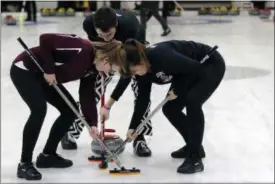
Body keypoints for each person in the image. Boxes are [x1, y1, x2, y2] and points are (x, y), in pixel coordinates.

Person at [97, 39, 226, 174]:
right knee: (171, 109)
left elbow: (195, 69)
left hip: (209, 64)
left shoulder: (162, 57)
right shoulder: (142, 71)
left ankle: (194, 158)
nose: (135, 74)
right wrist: (134, 127)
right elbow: (143, 99)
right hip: (188, 71)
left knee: (193, 102)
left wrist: (177, 89)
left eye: (134, 70)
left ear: (140, 61)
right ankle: (194, 146)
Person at [10, 33, 120, 180]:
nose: (109, 73)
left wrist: (92, 123)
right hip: (26, 70)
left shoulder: (93, 70)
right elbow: (45, 39)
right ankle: (24, 164)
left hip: (46, 78)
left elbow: (86, 96)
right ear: (106, 60)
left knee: (69, 111)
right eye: (112, 70)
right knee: (39, 110)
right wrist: (49, 70)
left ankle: (47, 156)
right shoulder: (83, 48)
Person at [61, 7, 153, 157]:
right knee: (93, 88)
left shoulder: (131, 26)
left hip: (133, 50)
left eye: (109, 33)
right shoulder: (89, 24)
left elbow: (128, 71)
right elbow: (96, 51)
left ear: (116, 25)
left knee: (140, 88)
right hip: (106, 51)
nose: (105, 37)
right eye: (101, 34)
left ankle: (139, 136)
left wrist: (109, 104)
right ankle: (72, 130)